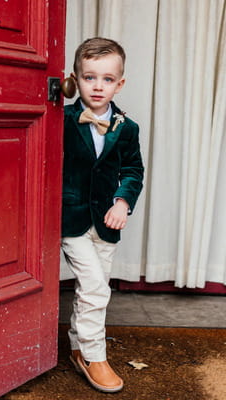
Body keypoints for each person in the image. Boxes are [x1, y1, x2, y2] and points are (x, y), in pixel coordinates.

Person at [62, 37, 144, 393]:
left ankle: (78, 347)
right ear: (75, 79)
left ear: (120, 83)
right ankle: (96, 355)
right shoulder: (60, 119)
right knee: (96, 287)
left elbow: (133, 171)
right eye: (89, 77)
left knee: (91, 288)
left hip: (107, 223)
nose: (98, 86)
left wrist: (122, 203)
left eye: (107, 79)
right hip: (72, 219)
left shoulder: (128, 128)